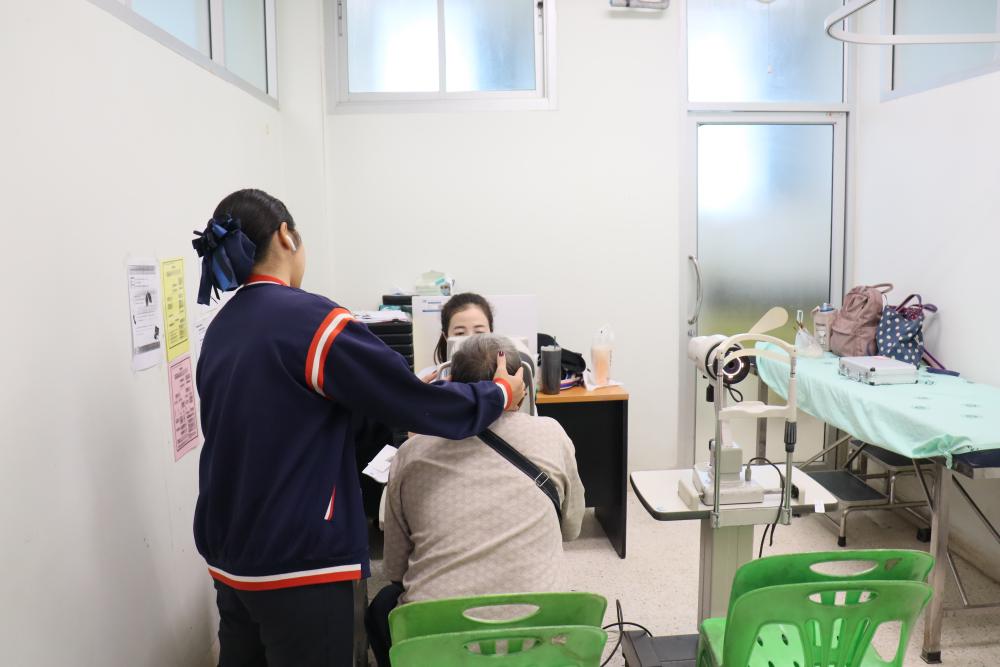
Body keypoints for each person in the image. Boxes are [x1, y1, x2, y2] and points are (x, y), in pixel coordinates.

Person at [191, 189, 525, 667]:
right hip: (303, 564)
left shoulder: (221, 328)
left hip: (230, 558)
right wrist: (497, 394)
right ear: (286, 236)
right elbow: (416, 404)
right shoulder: (313, 322)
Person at [366, 334, 585, 667]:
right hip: (538, 639)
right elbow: (571, 528)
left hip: (438, 644)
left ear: (452, 384)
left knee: (382, 605)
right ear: (520, 385)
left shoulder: (412, 452)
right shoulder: (552, 434)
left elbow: (395, 568)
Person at [417, 292, 494, 382]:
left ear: (492, 335)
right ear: (446, 337)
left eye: (479, 332)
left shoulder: (504, 380)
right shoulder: (428, 379)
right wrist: (421, 391)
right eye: (460, 333)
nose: (470, 340)